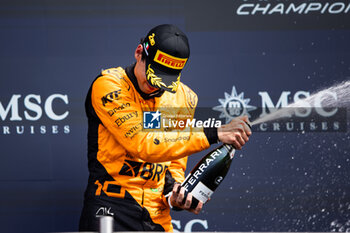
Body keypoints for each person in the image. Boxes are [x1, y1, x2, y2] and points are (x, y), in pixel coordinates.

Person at [79, 24, 252, 232]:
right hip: (110, 210)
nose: (157, 86)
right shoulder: (109, 86)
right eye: (154, 76)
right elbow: (143, 144)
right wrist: (212, 133)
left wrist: (176, 194)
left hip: (156, 217)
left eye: (165, 81)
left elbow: (174, 163)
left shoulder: (183, 98)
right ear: (138, 53)